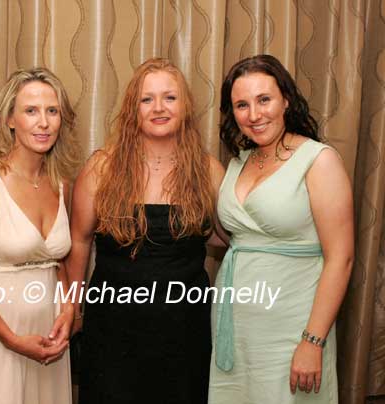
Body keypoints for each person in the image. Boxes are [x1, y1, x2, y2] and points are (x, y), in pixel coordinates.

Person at [66, 58, 226, 404]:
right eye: (146, 99)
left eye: (169, 98)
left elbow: (229, 237)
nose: (158, 108)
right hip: (113, 324)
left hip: (184, 326)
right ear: (132, 109)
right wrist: (72, 309)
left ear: (184, 107)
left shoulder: (208, 170)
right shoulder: (102, 167)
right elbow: (79, 241)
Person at [209, 54, 353, 403]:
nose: (254, 115)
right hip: (236, 329)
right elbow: (229, 237)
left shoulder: (318, 160)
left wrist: (313, 341)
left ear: (285, 99)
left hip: (292, 330)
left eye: (264, 100)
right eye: (241, 105)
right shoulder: (238, 164)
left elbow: (342, 258)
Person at [0, 67, 81, 404]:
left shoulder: (61, 184)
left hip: (48, 341)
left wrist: (68, 310)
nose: (44, 122)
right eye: (31, 111)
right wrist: (10, 339)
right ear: (9, 119)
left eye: (52, 112)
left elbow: (58, 263)